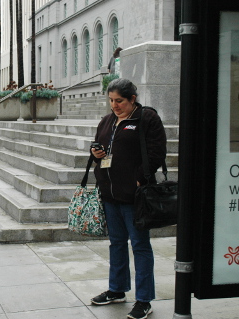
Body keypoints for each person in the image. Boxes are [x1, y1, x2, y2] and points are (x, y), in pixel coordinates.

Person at [89, 78, 166, 319]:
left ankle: (144, 300)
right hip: (110, 194)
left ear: (132, 99)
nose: (114, 105)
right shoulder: (107, 120)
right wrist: (95, 151)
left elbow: (156, 153)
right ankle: (117, 289)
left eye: (119, 101)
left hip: (135, 197)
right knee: (117, 244)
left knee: (140, 246)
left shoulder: (147, 119)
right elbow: (98, 147)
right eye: (111, 100)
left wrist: (140, 180)